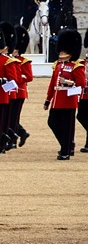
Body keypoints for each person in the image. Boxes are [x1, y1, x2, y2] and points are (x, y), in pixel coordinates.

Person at [44, 29, 83, 160]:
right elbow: (51, 84)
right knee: (52, 122)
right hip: (57, 100)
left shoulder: (76, 66)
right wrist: (47, 100)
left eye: (64, 50)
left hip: (69, 100)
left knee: (67, 127)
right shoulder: (58, 65)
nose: (61, 52)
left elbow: (81, 83)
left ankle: (65, 151)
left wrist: (67, 82)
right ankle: (67, 145)